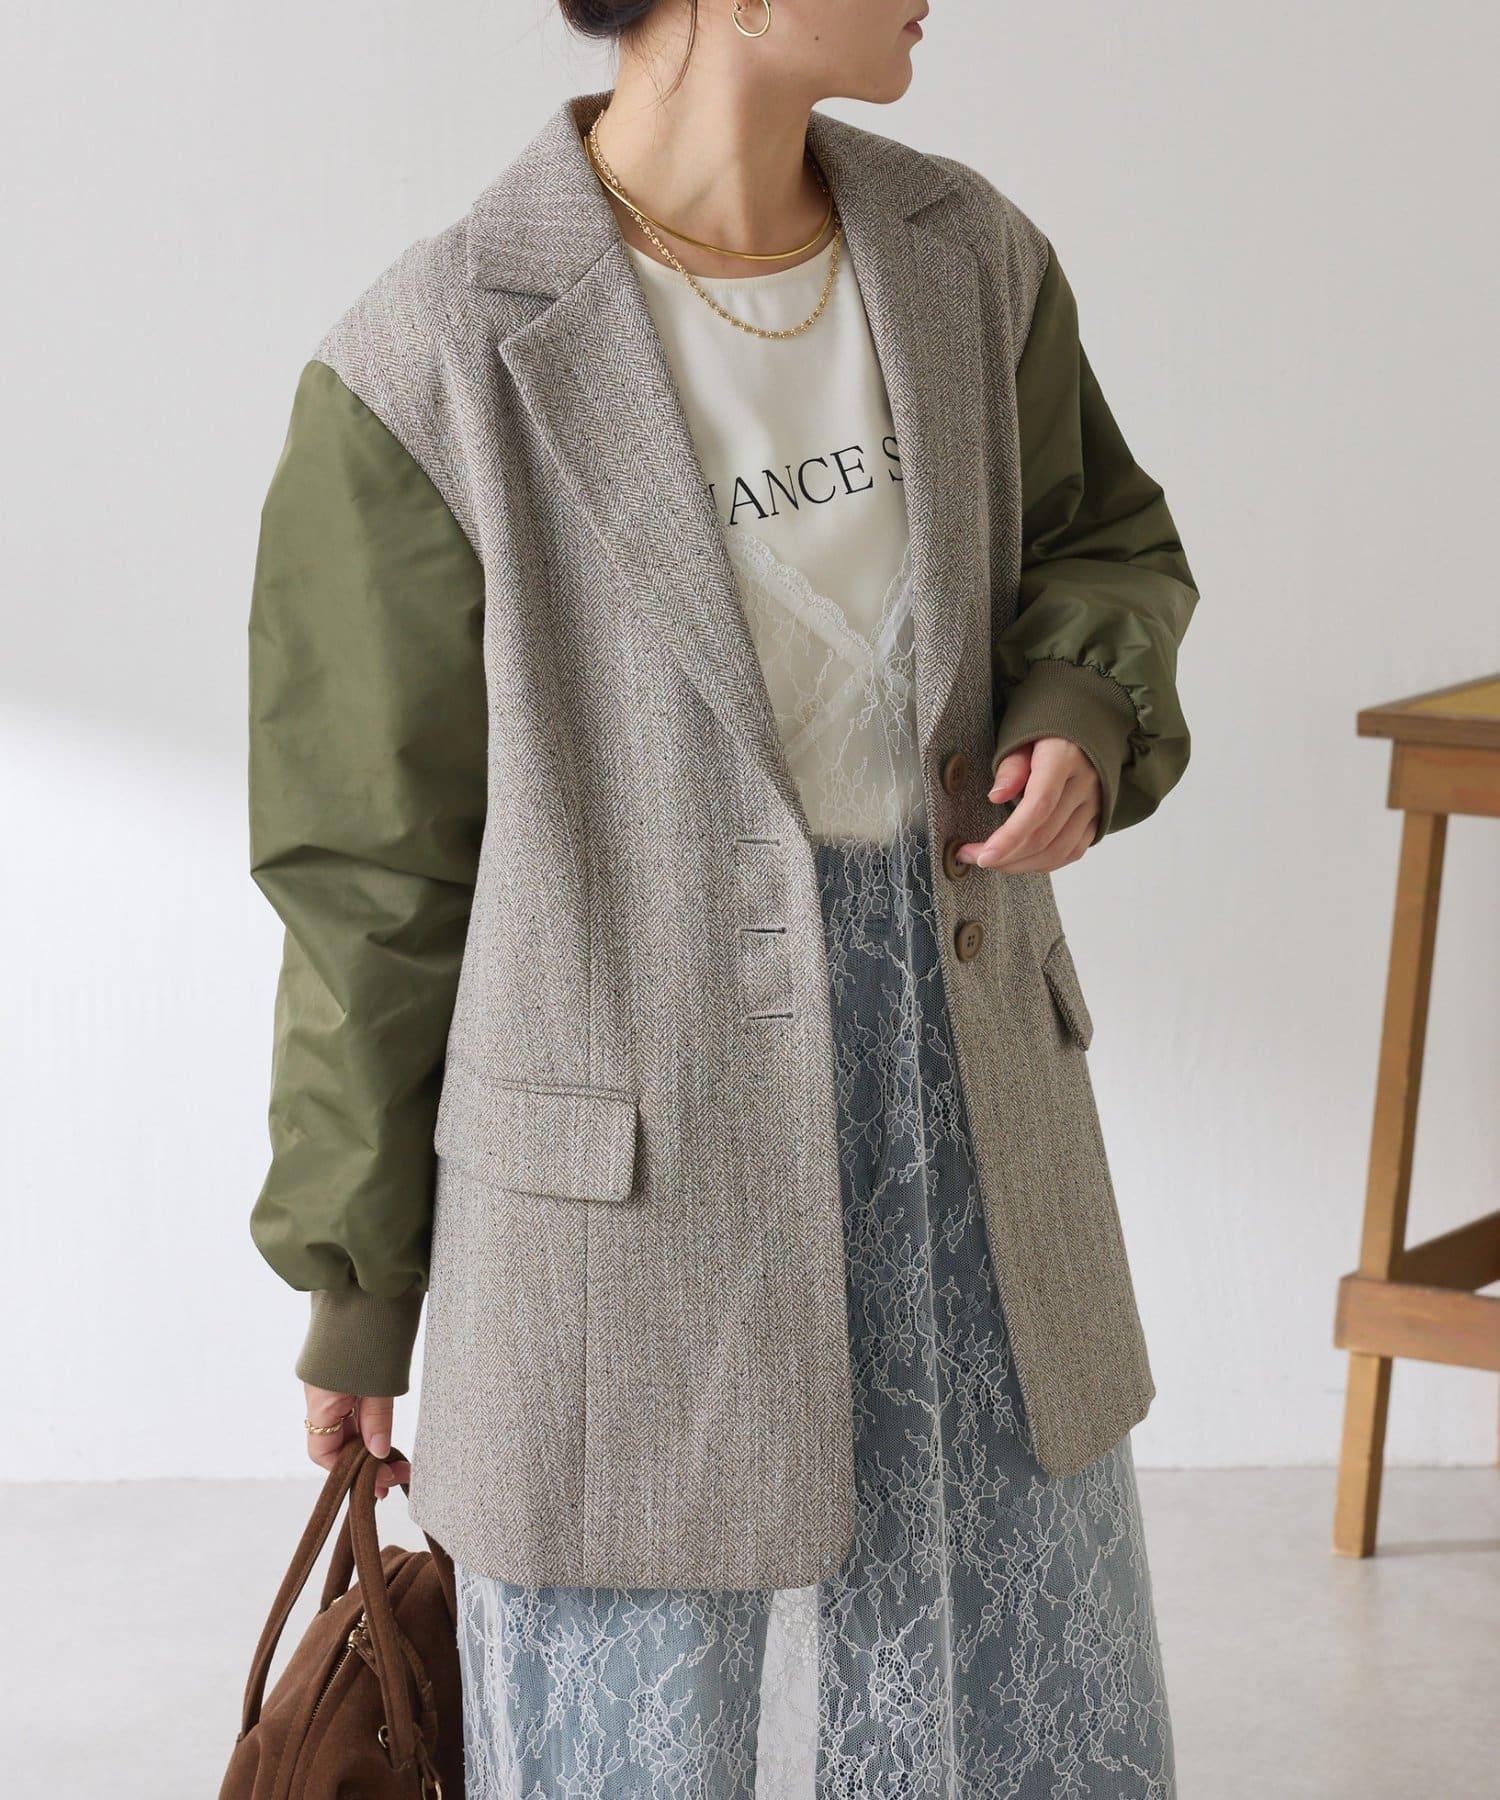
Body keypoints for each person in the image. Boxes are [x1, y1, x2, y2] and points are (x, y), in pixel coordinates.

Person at [248, 0, 1197, 1790]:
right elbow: (371, 881)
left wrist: (1080, 707)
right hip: (631, 1180)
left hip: (971, 1134)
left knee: (1004, 1695)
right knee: (648, 1719)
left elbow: (1103, 543)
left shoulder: (966, 254)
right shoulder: (431, 358)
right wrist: (358, 1282)